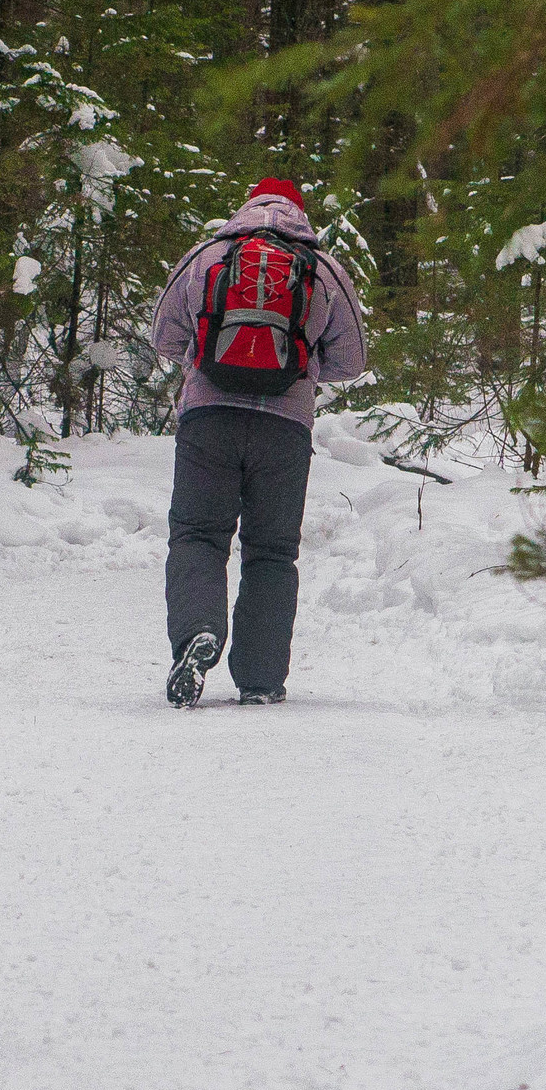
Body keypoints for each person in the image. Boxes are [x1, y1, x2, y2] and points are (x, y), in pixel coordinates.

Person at [147, 176, 368, 707]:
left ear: (246, 207)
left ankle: (197, 634)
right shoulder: (324, 267)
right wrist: (302, 368)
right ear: (300, 212)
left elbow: (164, 332)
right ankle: (261, 679)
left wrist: (203, 362)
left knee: (199, 535)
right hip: (285, 429)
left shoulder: (210, 254)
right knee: (271, 551)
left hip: (208, 417)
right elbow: (353, 359)